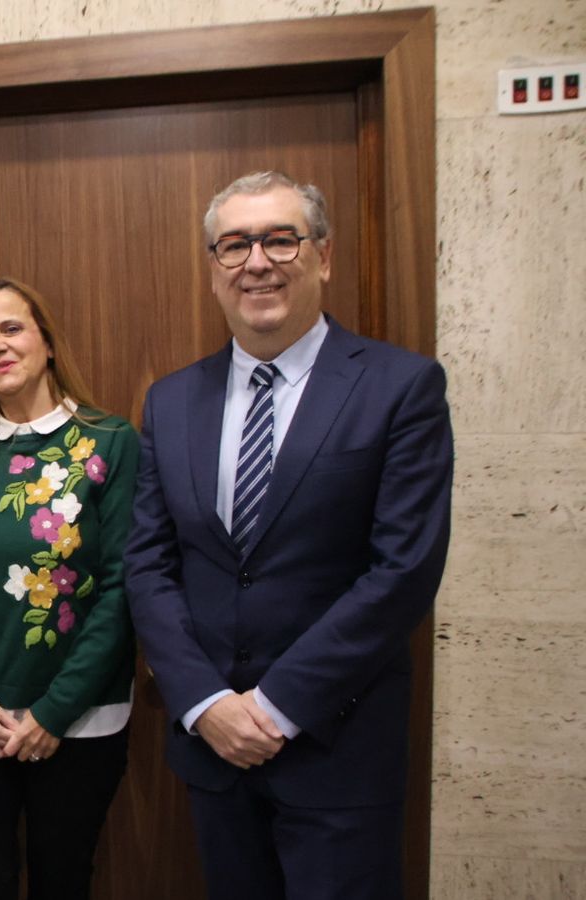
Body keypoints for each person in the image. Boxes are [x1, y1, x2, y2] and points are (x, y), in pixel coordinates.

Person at [125, 171, 453, 900]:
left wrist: (274, 709)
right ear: (214, 269)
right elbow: (148, 563)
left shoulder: (400, 388)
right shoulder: (173, 399)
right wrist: (206, 703)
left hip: (338, 749)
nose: (258, 262)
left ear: (323, 256)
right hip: (211, 750)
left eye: (280, 239)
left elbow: (403, 570)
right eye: (234, 245)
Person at [0, 278, 136, 899]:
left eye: (10, 328)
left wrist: (54, 711)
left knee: (62, 882)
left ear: (46, 341)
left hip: (78, 721)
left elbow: (124, 587)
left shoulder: (111, 445)